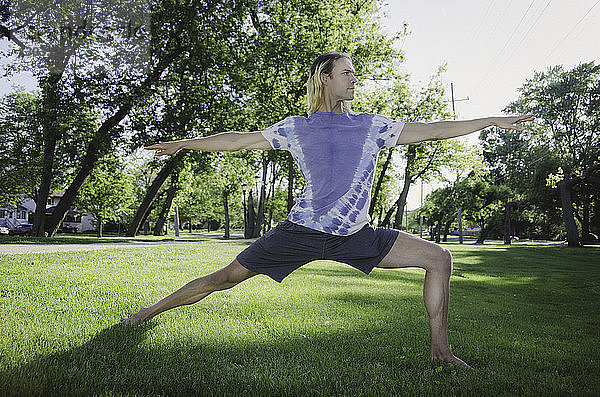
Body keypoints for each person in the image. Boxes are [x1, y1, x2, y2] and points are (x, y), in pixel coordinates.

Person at [124, 52, 533, 368]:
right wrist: (183, 144)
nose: (355, 79)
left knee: (439, 257)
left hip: (357, 234)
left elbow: (435, 129)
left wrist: (491, 121)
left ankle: (440, 350)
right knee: (226, 277)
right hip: (301, 230)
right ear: (325, 78)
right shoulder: (296, 128)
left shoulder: (373, 126)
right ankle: (146, 314)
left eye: (355, 73)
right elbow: (236, 141)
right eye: (347, 73)